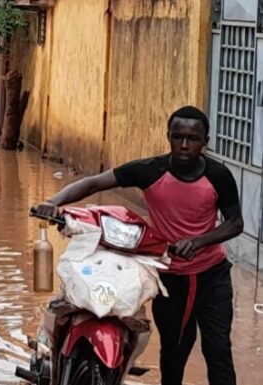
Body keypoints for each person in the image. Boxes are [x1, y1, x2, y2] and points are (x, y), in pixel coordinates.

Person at [34, 106, 243, 385]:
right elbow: (94, 183)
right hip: (168, 277)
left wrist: (198, 241)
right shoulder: (150, 170)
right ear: (168, 136)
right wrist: (54, 201)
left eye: (192, 138)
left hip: (212, 277)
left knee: (218, 352)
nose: (184, 144)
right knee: (173, 352)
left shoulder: (219, 176)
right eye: (177, 136)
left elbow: (235, 223)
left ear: (205, 141)